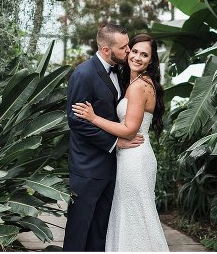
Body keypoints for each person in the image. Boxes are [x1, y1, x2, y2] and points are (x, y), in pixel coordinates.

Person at [72, 33, 169, 251]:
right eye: (133, 51)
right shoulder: (132, 81)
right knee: (129, 216)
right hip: (129, 157)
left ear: (151, 61)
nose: (136, 57)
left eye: (144, 55)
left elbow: (128, 130)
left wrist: (94, 118)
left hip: (134, 158)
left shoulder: (138, 86)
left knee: (135, 216)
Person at [62, 23, 145, 251]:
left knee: (100, 229)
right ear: (107, 50)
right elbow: (77, 121)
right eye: (124, 47)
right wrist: (116, 142)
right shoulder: (83, 74)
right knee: (79, 228)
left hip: (112, 166)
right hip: (87, 167)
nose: (129, 50)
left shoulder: (119, 71)